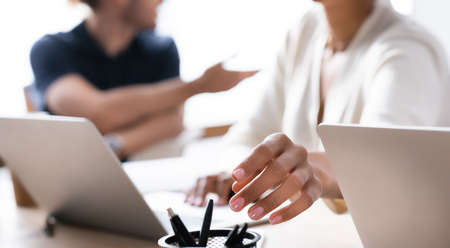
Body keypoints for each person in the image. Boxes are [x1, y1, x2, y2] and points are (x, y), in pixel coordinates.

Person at [186, 0, 450, 225]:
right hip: (307, 244)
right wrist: (238, 174)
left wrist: (315, 171)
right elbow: (248, 134)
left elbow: (382, 158)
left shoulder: (408, 51)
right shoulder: (306, 31)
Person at [30, 0, 256, 159]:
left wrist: (112, 146)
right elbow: (96, 113)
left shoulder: (162, 50)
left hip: (145, 176)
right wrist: (198, 86)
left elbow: (173, 122)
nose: (161, 2)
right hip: (71, 183)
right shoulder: (50, 49)